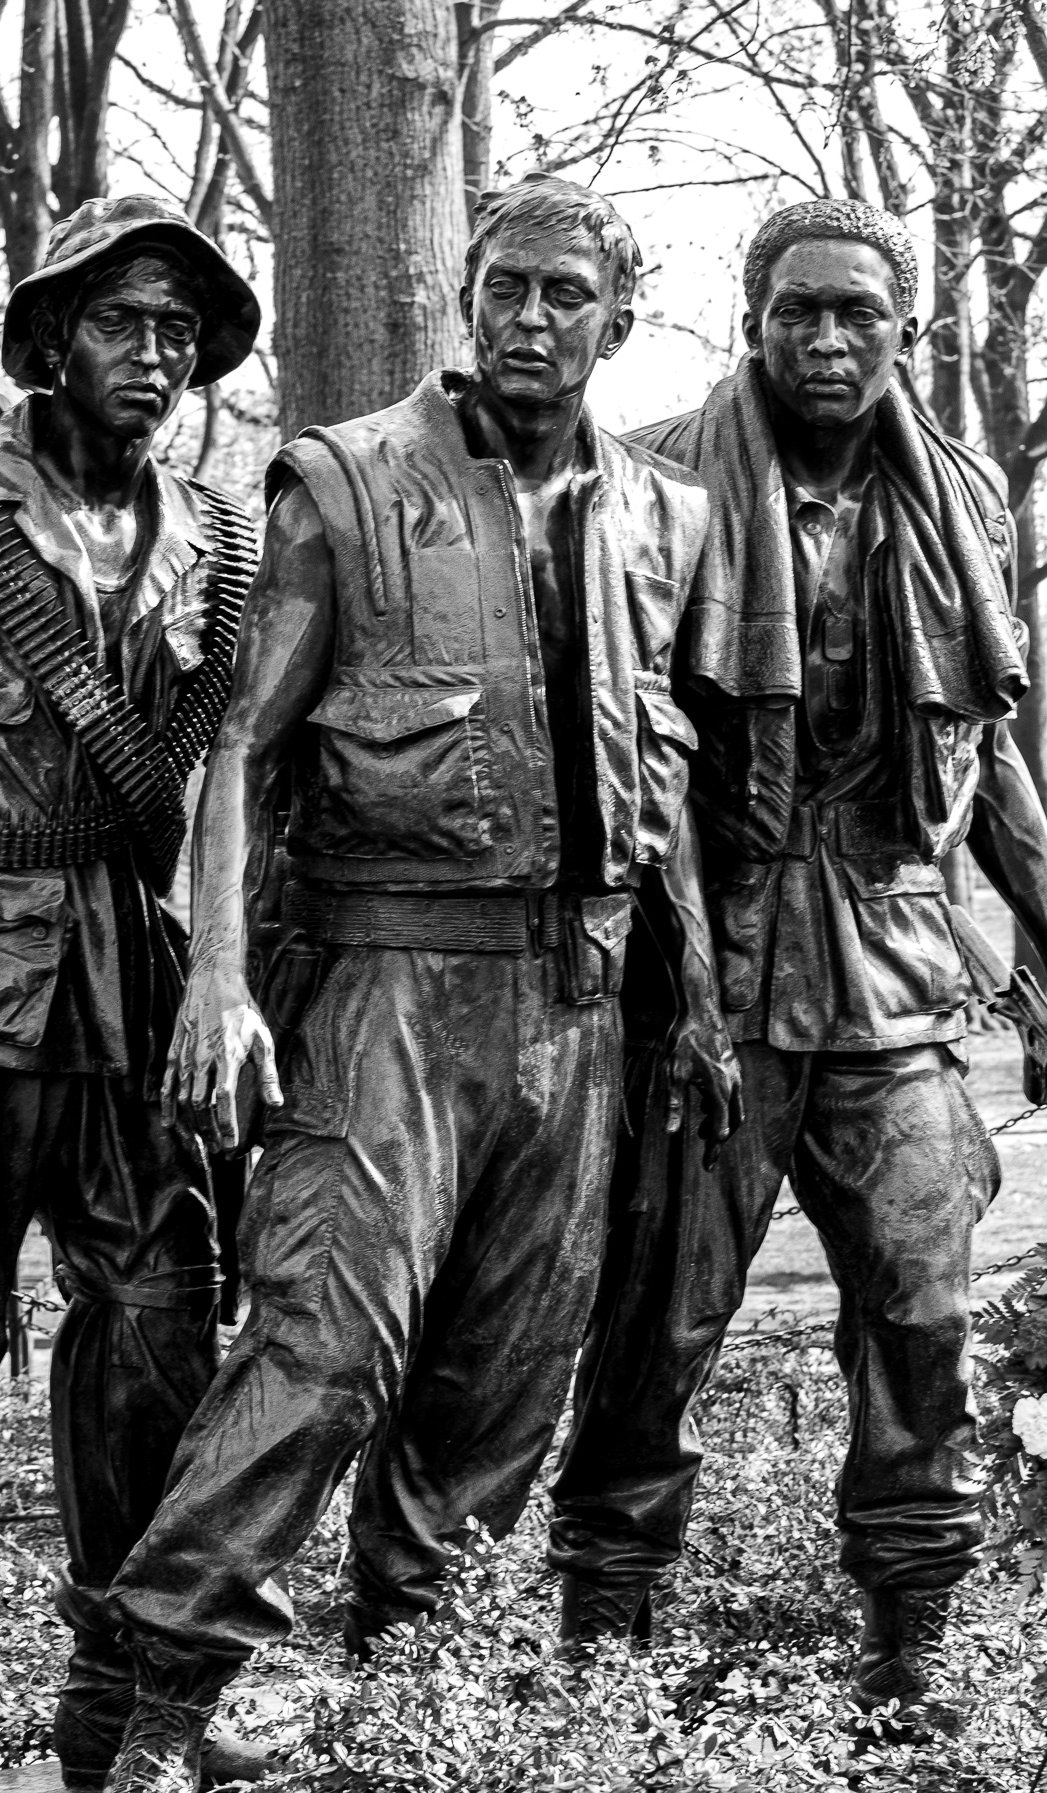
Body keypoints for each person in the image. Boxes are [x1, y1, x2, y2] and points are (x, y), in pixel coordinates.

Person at [90, 174, 742, 1793]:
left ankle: (415, 1709)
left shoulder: (670, 517)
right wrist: (220, 979)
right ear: (466, 296)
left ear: (620, 318)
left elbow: (668, 793)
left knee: (504, 1380)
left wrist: (701, 1002)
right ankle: (143, 1703)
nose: (532, 320)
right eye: (506, 287)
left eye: (565, 296)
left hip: (581, 1006)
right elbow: (237, 743)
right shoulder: (348, 479)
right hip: (388, 983)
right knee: (323, 1345)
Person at [547, 198, 1047, 1711]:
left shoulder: (955, 496)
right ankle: (604, 1626)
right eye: (798, 312)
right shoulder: (651, 481)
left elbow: (990, 756)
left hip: (893, 971)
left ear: (905, 330)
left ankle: (915, 1622)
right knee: (661, 1317)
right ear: (754, 322)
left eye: (859, 315)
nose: (828, 340)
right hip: (712, 968)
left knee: (921, 1306)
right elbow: (622, 755)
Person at [0, 194, 267, 1785]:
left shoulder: (223, 535)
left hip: (136, 996)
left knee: (158, 1343)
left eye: (180, 331)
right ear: (47, 341)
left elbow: (233, 757)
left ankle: (124, 1710)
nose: (154, 353)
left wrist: (225, 970)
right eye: (121, 321)